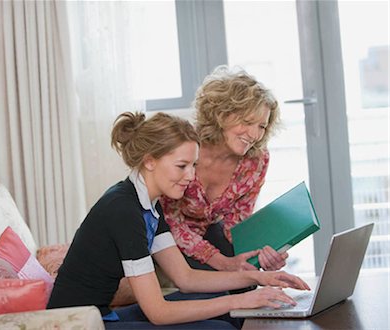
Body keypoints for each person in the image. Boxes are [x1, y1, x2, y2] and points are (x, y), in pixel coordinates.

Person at [47, 111, 310, 329]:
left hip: (100, 315)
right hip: (78, 325)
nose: (190, 176)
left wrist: (256, 278)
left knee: (220, 298)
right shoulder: (123, 210)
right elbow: (157, 312)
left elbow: (185, 277)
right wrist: (241, 301)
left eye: (193, 165)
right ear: (150, 161)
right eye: (182, 166)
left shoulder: (148, 204)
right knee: (219, 326)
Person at [161, 65, 288, 272]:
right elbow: (171, 223)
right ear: (221, 114)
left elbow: (237, 222)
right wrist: (221, 262)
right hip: (166, 236)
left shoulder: (257, 160)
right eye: (247, 122)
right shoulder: (182, 147)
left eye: (261, 126)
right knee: (216, 284)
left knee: (245, 278)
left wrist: (262, 253)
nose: (255, 135)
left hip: (210, 231)